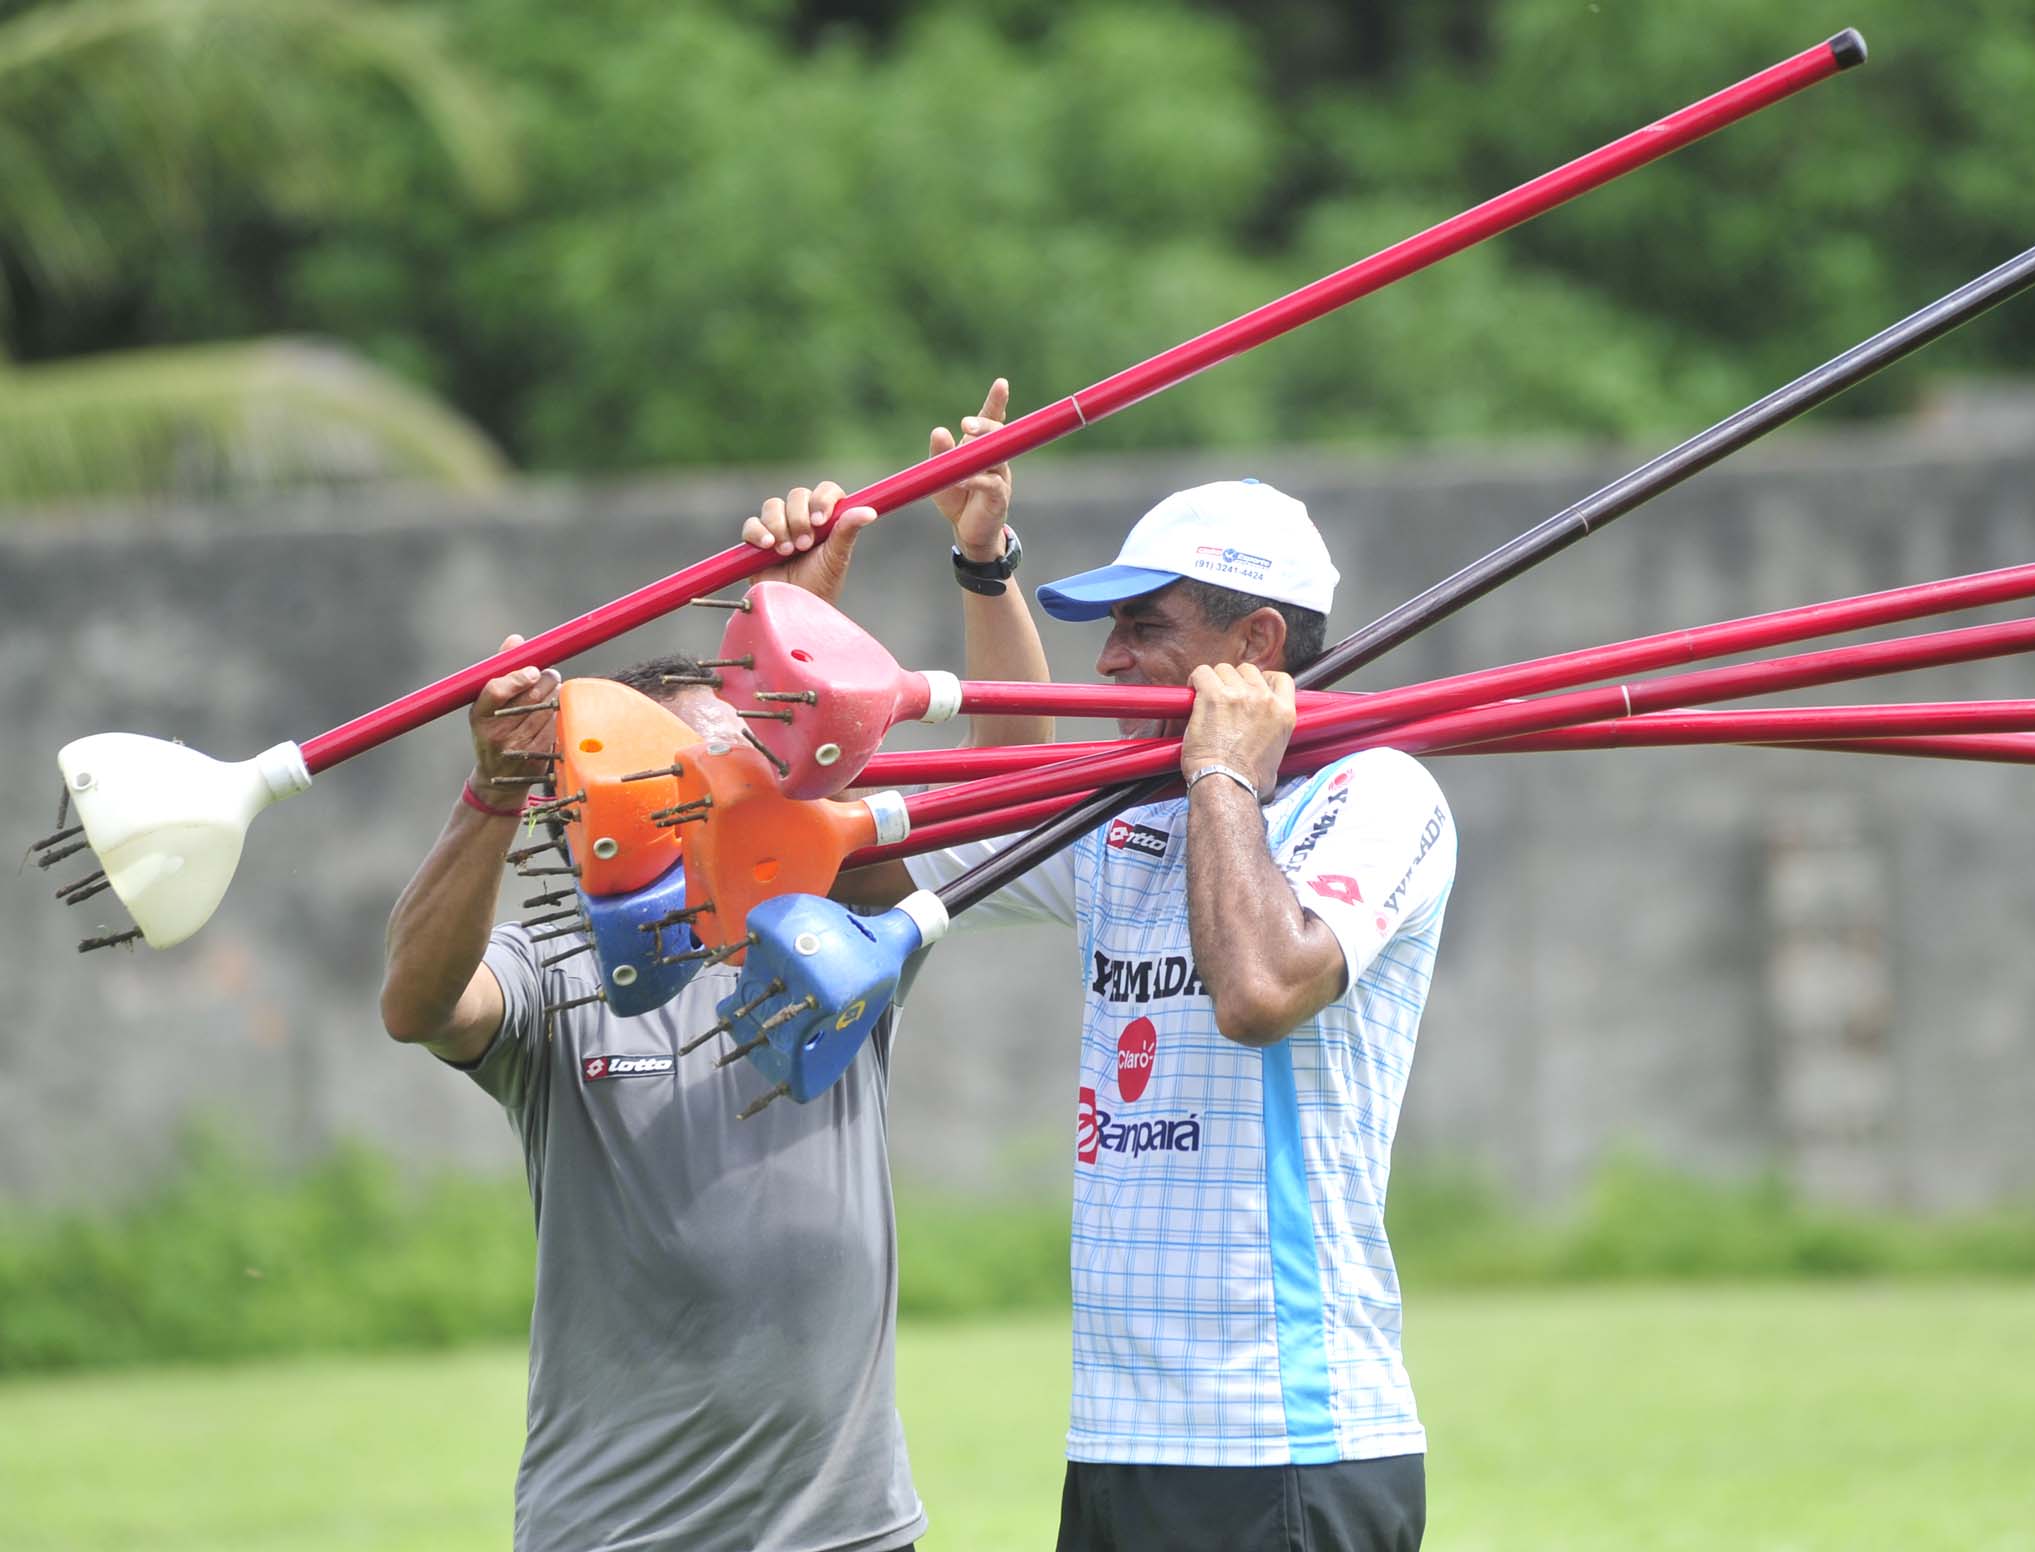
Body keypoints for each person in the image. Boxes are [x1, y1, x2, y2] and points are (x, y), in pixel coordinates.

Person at [379, 381, 1044, 1552]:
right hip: (616, 1530)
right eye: (693, 774)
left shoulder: (834, 915)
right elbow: (418, 1002)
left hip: (849, 1528)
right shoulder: (553, 968)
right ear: (613, 801)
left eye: (752, 765)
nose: (740, 795)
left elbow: (1011, 785)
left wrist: (974, 567)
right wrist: (492, 791)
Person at [822, 477, 1458, 1552]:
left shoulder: (1377, 793)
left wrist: (1222, 773)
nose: (1109, 661)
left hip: (1286, 1439)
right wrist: (856, 594)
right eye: (1111, 630)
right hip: (1118, 1438)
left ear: (1255, 643)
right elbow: (855, 861)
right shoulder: (1127, 810)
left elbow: (1259, 990)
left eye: (1143, 628)